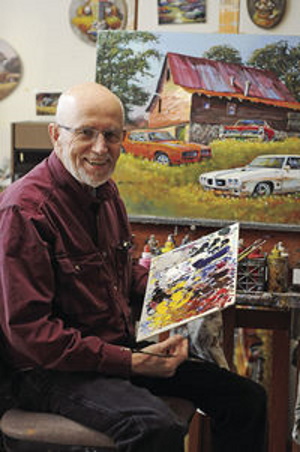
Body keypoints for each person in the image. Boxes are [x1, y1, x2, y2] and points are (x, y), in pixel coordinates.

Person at [0, 82, 267, 452]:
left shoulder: (106, 195)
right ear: (55, 135)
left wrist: (192, 284)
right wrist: (131, 362)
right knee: (154, 427)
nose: (100, 148)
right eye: (86, 133)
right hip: (50, 373)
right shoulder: (24, 211)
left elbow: (123, 278)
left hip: (112, 352)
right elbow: (31, 337)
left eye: (111, 135)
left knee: (246, 399)